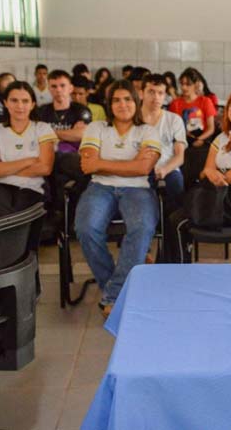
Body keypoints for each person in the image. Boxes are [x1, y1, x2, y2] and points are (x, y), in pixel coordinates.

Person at [75, 79, 161, 316]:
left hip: (137, 189)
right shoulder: (96, 128)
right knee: (85, 228)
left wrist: (102, 163)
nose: (122, 104)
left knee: (142, 227)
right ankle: (115, 286)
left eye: (127, 99)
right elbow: (87, 165)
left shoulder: (148, 131)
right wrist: (130, 163)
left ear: (136, 101)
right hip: (100, 187)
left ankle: (113, 294)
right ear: (109, 104)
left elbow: (144, 170)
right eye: (116, 100)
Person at [166, 88, 231, 262]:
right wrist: (211, 173)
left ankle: (176, 272)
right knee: (173, 217)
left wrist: (213, 176)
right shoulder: (222, 138)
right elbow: (205, 171)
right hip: (223, 196)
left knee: (180, 221)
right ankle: (169, 270)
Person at [0, 81, 56, 220]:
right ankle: (13, 240)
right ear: (6, 103)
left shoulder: (42, 128)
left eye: (25, 101)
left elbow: (45, 168)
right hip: (1, 187)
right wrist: (29, 161)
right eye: (14, 100)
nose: (20, 106)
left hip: (33, 188)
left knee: (18, 211)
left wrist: (5, 168)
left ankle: (10, 240)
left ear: (32, 104)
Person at [38, 70, 93, 215]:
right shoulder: (42, 111)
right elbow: (37, 137)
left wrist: (50, 133)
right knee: (57, 179)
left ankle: (68, 215)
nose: (58, 90)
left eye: (62, 85)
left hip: (72, 158)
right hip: (47, 157)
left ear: (70, 88)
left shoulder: (81, 110)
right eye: (54, 86)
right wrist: (68, 134)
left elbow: (81, 134)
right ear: (49, 88)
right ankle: (57, 217)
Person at [141, 73, 187, 206]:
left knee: (176, 184)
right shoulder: (133, 119)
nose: (156, 97)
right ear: (141, 93)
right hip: (139, 170)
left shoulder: (174, 120)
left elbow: (180, 157)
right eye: (151, 92)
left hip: (168, 168)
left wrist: (164, 170)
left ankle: (175, 224)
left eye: (160, 93)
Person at [169, 68, 216, 147]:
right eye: (182, 84)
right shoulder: (175, 103)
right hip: (182, 142)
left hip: (203, 141)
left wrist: (199, 139)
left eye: (188, 84)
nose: (184, 87)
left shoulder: (205, 101)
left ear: (196, 84)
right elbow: (173, 128)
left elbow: (211, 128)